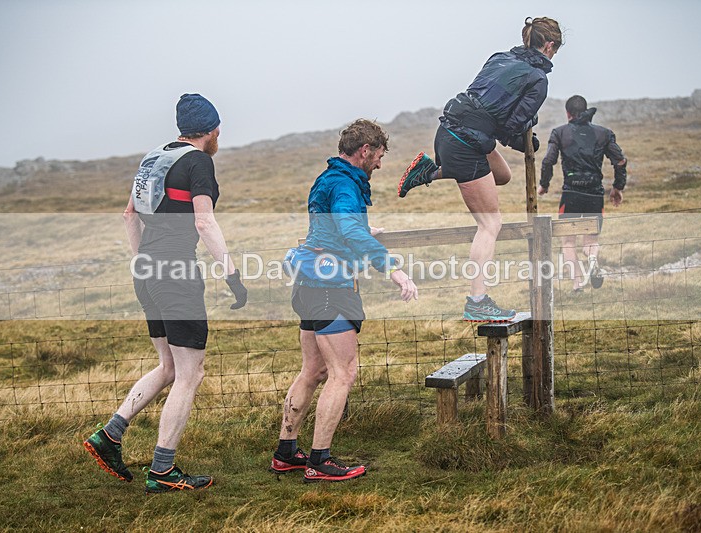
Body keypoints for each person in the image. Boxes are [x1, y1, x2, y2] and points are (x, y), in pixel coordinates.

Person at [83, 93, 248, 494]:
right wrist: (232, 274)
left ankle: (109, 435)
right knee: (190, 374)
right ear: (212, 130)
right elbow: (204, 222)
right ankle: (162, 470)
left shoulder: (154, 158)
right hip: (176, 273)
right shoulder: (199, 162)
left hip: (147, 271)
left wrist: (143, 262)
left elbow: (129, 215)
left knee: (169, 367)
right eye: (218, 129)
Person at [270, 119, 418, 482]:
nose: (380, 164)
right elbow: (348, 228)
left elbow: (332, 226)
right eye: (379, 156)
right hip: (331, 288)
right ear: (365, 151)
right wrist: (394, 269)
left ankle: (286, 453)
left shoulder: (329, 178)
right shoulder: (345, 183)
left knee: (313, 371)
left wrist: (363, 228)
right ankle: (320, 461)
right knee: (343, 373)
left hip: (308, 285)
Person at [397, 17, 563, 322]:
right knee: (490, 224)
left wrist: (523, 131)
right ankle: (477, 301)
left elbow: (493, 111)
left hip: (451, 132)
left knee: (503, 175)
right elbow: (509, 128)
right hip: (467, 143)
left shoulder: (499, 57)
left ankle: (429, 172)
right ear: (550, 46)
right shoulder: (538, 79)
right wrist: (527, 141)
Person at [538, 94, 627, 292]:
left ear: (567, 113)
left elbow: (548, 160)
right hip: (594, 195)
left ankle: (577, 284)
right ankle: (592, 259)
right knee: (591, 241)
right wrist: (617, 187)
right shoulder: (604, 134)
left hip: (571, 194)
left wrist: (544, 185)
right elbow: (620, 161)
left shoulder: (559, 133)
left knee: (568, 242)